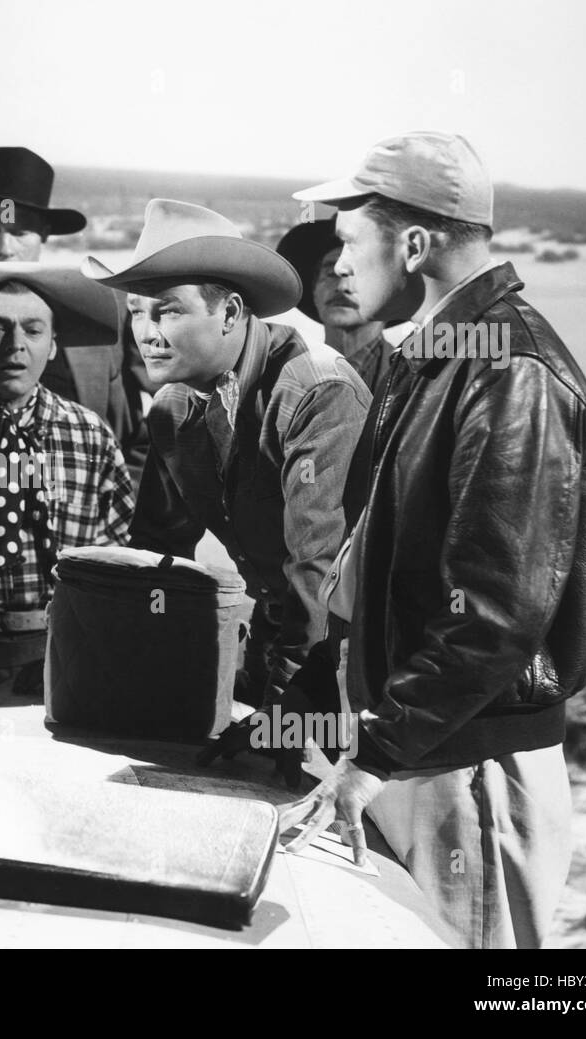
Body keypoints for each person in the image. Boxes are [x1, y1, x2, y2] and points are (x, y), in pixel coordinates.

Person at [280, 131, 586, 949]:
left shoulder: (510, 370)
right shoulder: (436, 354)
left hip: (465, 765)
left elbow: (495, 610)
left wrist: (377, 751)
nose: (340, 264)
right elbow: (374, 567)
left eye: (351, 239)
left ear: (416, 243)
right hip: (416, 753)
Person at [83, 200, 370, 727]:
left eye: (167, 310)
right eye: (136, 313)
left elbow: (319, 567)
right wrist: (128, 656)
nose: (147, 333)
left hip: (355, 663)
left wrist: (286, 704)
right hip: (272, 642)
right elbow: (157, 555)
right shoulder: (172, 410)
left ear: (232, 313)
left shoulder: (315, 390)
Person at [0, 263, 134, 688]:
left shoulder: (88, 434)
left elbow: (117, 556)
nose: (15, 346)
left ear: (53, 346)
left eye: (33, 331)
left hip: (67, 652)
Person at [0, 147, 131, 443]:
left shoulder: (96, 330)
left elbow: (131, 440)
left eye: (19, 232)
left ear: (44, 234)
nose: (5, 248)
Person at [276, 217, 394, 396]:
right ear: (314, 290)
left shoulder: (416, 376)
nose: (342, 287)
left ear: (389, 292)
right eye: (331, 273)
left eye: (360, 273)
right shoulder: (286, 377)